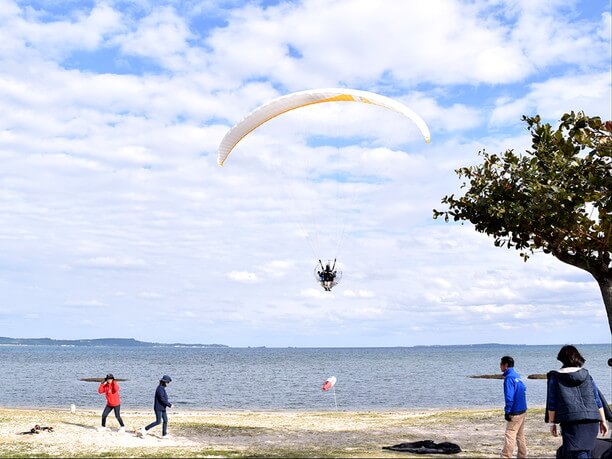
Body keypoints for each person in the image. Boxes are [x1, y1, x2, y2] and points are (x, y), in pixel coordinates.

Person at [546, 345, 609, 459]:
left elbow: (552, 403)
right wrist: (603, 420)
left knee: (577, 453)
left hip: (571, 421)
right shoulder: (586, 374)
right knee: (587, 452)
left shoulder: (556, 377)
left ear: (561, 358)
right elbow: (596, 399)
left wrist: (552, 423)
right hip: (592, 420)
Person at [500, 356, 528, 458]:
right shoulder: (517, 376)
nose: (500, 367)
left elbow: (509, 396)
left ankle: (506, 456)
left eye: (501, 364)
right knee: (520, 434)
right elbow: (523, 390)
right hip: (522, 409)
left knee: (510, 434)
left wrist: (507, 411)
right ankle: (522, 455)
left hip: (515, 411)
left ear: (505, 365)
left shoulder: (509, 379)